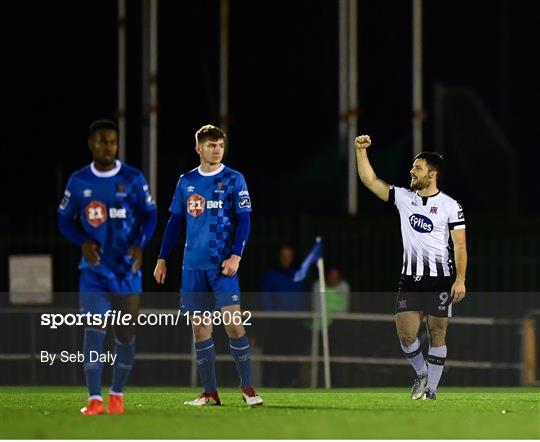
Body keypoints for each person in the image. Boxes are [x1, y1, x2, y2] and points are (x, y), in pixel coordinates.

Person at [154, 124, 262, 406]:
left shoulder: (234, 179)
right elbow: (175, 223)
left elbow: (245, 221)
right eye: (211, 145)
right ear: (198, 148)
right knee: (200, 329)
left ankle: (248, 388)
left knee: (233, 324)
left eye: (220, 145)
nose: (216, 150)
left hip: (222, 267)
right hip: (192, 268)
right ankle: (210, 393)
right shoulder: (185, 182)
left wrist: (236, 256)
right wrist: (162, 258)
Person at [355, 135, 467, 400]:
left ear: (432, 173)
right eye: (412, 167)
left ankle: (431, 391)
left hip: (440, 280)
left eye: (417, 168)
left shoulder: (451, 207)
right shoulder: (405, 198)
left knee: (437, 333)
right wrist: (360, 152)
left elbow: (460, 246)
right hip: (411, 280)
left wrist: (460, 279)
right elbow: (370, 181)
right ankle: (422, 373)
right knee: (406, 336)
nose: (411, 171)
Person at [57, 119, 157, 415]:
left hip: (126, 270)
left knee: (125, 333)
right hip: (94, 271)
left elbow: (150, 216)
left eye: (112, 141)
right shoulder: (78, 181)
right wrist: (82, 241)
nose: (108, 146)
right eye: (102, 141)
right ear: (91, 144)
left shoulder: (133, 178)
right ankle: (94, 399)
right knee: (93, 329)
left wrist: (141, 244)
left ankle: (117, 393)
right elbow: (64, 219)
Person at [260, 245, 308, 387]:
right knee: (274, 353)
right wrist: (272, 315)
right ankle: (268, 383)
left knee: (292, 354)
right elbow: (266, 298)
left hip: (295, 323)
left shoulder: (298, 275)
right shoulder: (272, 275)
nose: (286, 258)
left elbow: (303, 298)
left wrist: (302, 316)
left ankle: (289, 382)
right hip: (277, 322)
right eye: (283, 255)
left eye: (289, 255)